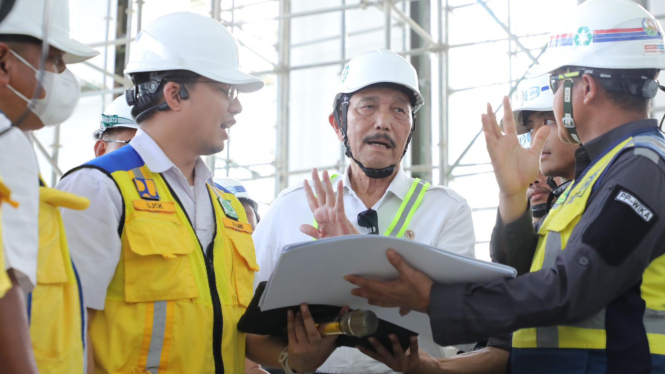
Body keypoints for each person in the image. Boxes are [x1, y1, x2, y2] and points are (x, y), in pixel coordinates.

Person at [345, 1, 665, 373]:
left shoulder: (643, 167)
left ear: (587, 88)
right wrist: (512, 195)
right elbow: (523, 274)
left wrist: (436, 298)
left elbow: (572, 287)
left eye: (556, 83)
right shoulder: (598, 174)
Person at [57, 12, 340, 374]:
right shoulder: (99, 188)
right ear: (175, 94)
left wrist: (293, 357)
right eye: (226, 91)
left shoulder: (229, 209)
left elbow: (234, 331)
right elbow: (67, 332)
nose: (236, 106)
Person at [252, 48, 475, 373]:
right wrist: (291, 362)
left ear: (411, 127)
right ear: (338, 123)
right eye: (367, 107)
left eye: (399, 111)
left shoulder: (446, 211)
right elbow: (243, 316)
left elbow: (463, 326)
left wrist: (355, 258)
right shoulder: (290, 207)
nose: (383, 122)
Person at [0, 0, 98, 373]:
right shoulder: (5, 142)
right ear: (4, 62)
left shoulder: (14, 143)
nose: (62, 76)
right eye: (54, 59)